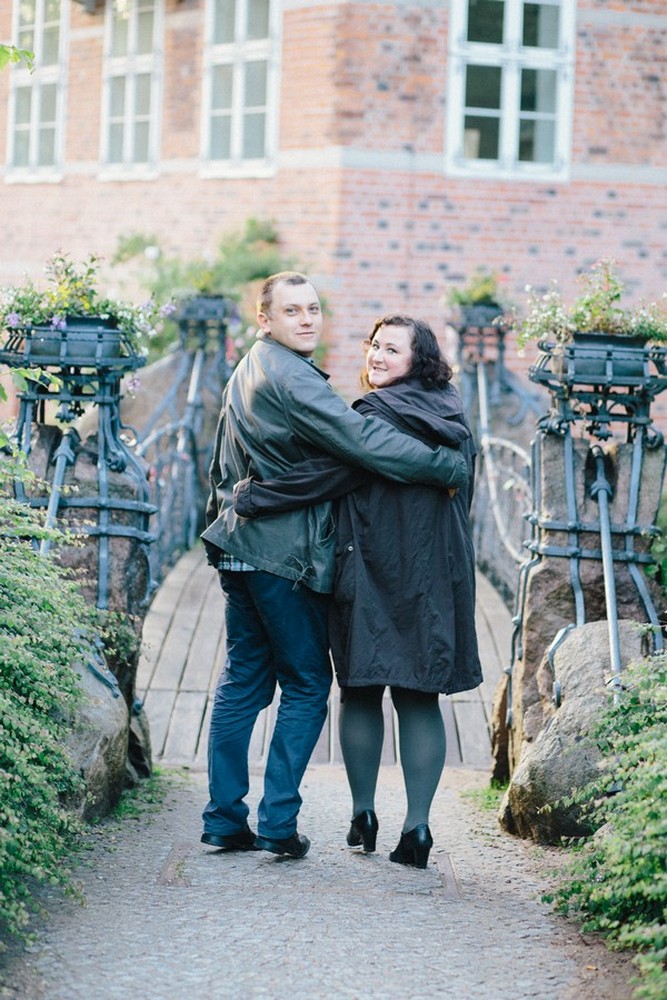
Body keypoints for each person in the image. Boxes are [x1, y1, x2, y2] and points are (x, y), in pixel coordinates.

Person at [200, 275, 470, 860]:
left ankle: (232, 816)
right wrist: (446, 468)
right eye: (291, 310)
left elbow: (237, 460)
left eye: (313, 309)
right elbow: (356, 448)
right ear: (264, 318)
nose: (306, 320)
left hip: (254, 548)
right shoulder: (297, 376)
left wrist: (230, 512)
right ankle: (278, 822)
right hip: (288, 555)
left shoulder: (251, 366)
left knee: (250, 680)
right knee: (309, 684)